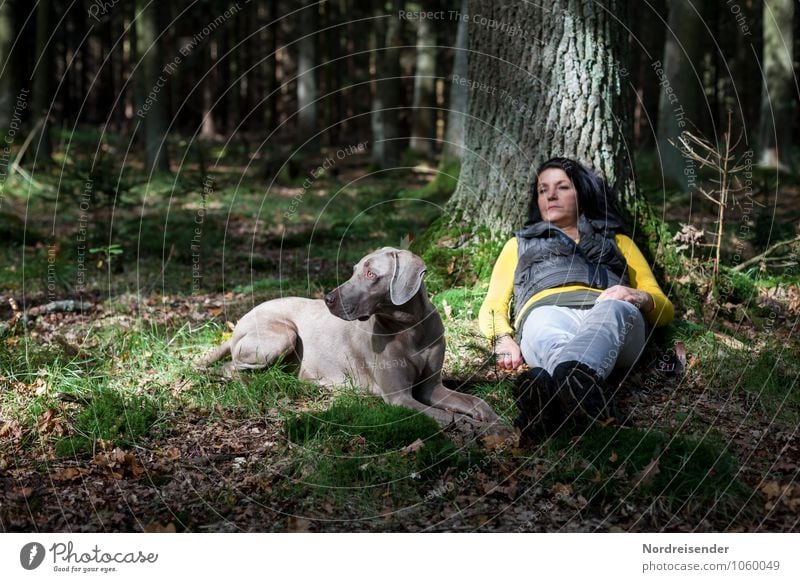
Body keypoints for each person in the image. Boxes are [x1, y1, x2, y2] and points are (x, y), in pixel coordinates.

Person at [478, 157, 674, 439]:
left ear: (581, 192)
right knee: (542, 323)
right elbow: (493, 305)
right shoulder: (518, 244)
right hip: (546, 313)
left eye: (562, 187)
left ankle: (548, 406)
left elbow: (664, 309)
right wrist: (501, 337)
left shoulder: (617, 240)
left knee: (612, 310)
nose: (551, 195)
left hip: (613, 320)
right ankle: (580, 400)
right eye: (543, 189)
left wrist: (636, 296)